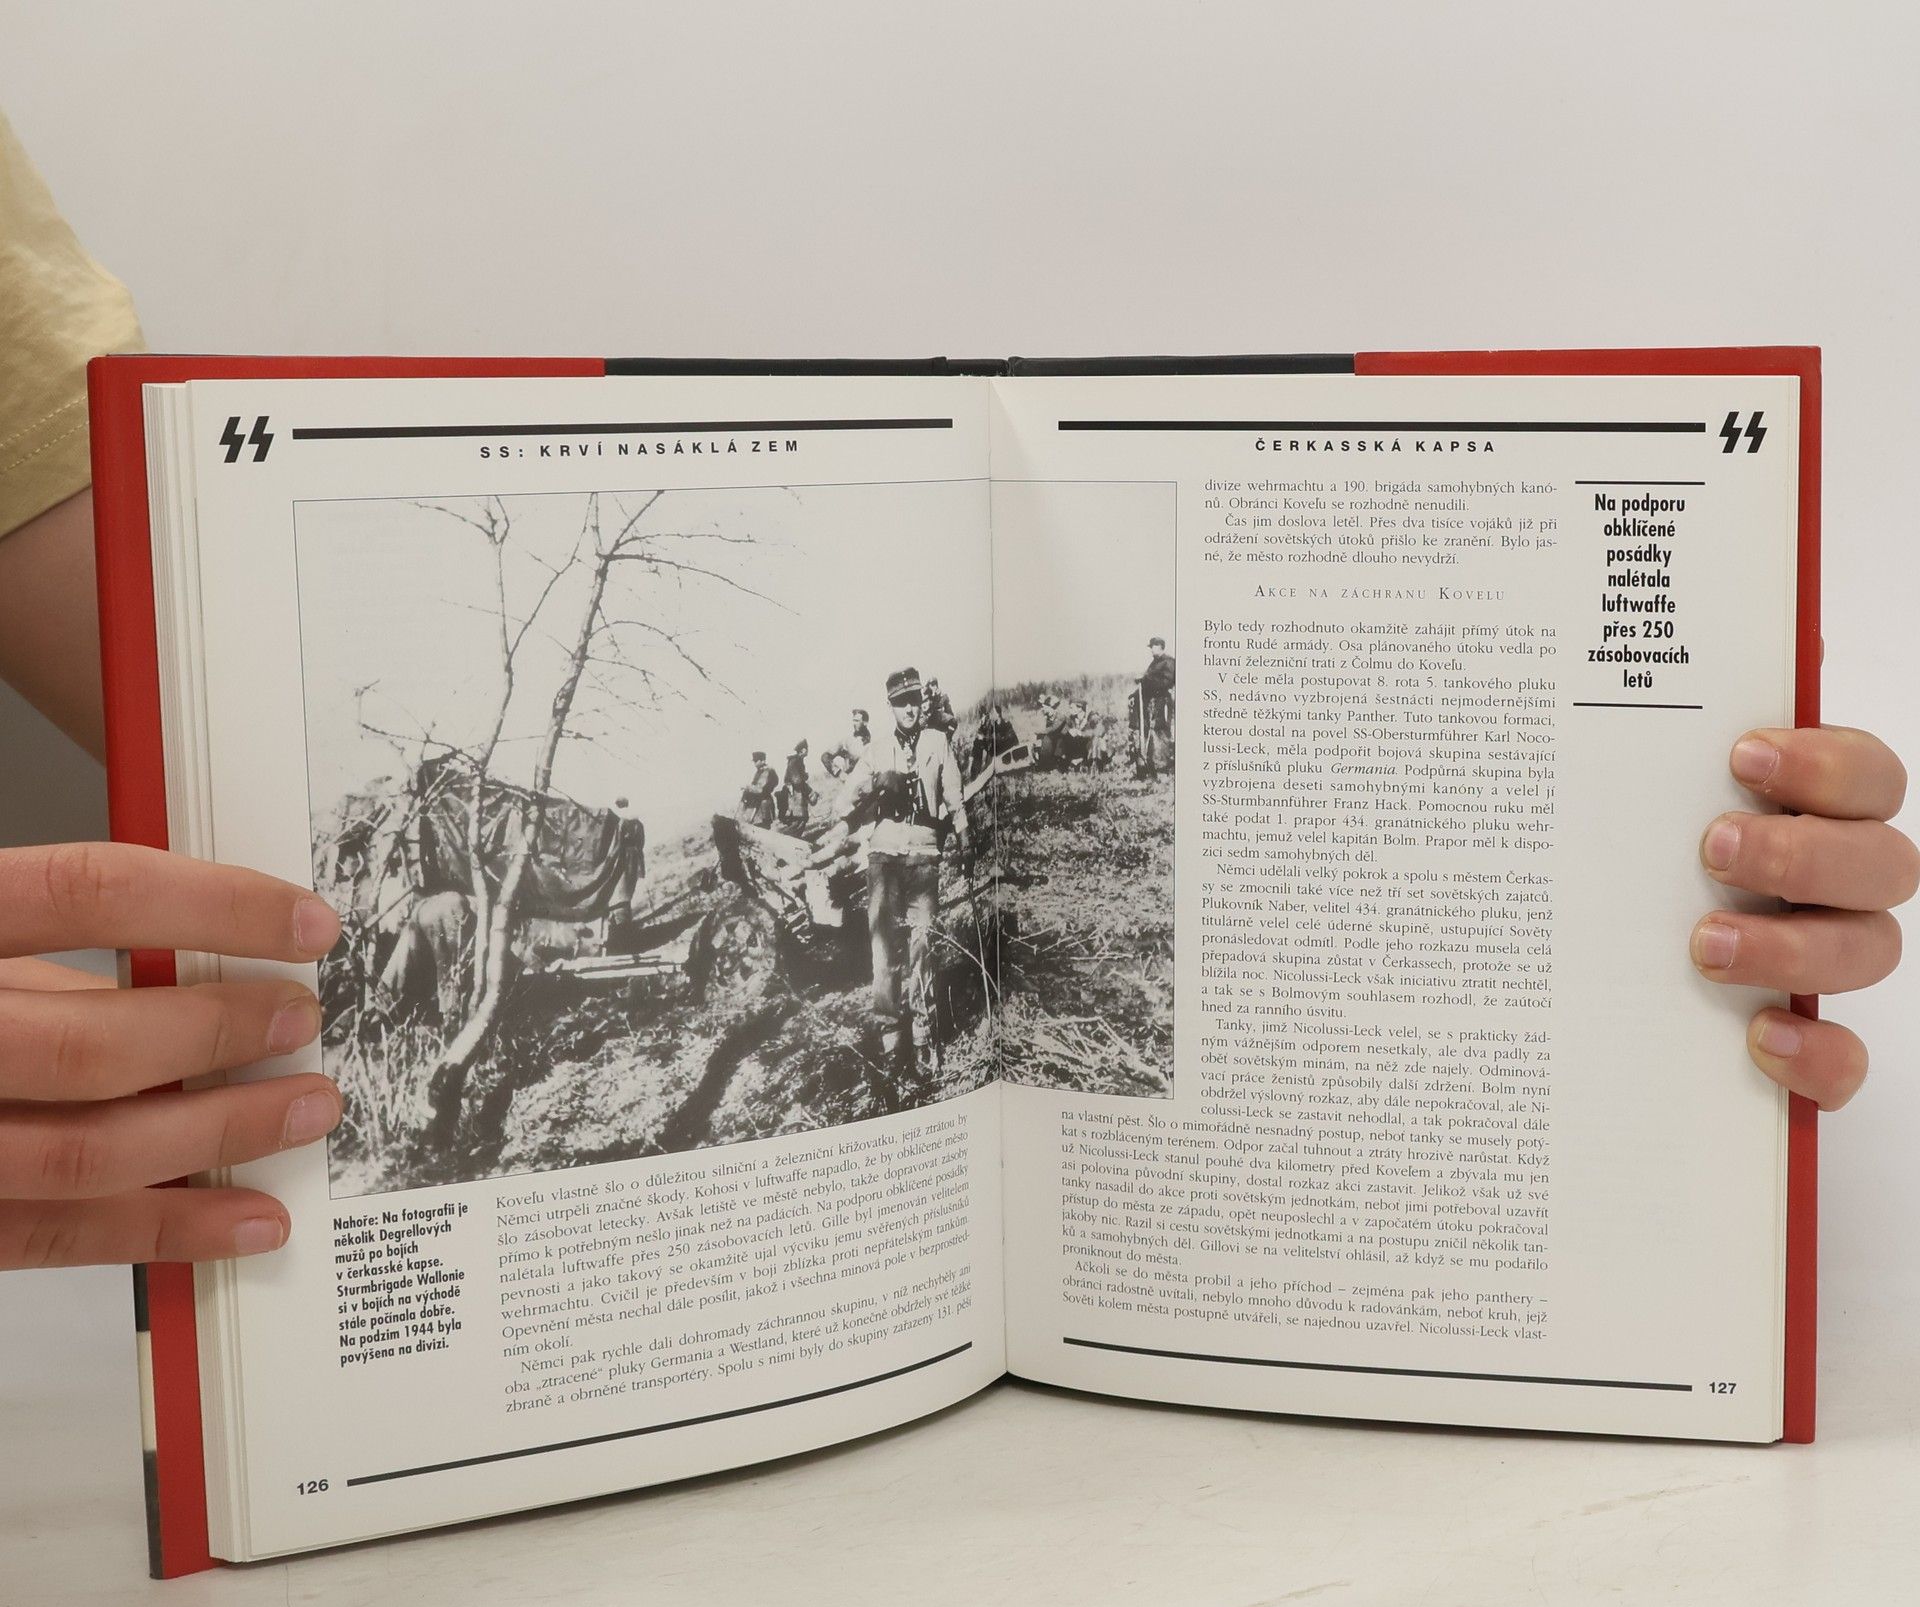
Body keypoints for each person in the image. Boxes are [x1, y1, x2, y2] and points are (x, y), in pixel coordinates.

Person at [0, 114, 1909, 1265]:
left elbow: (173, 674)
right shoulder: (850, 776)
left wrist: (1644, 795)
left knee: (881, 902)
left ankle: (913, 1010)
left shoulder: (918, 757)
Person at [811, 667, 971, 1084]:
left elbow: (954, 794)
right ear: (891, 707)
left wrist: (965, 837)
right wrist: (877, 785)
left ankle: (923, 1038)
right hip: (883, 857)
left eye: (914, 700)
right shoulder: (877, 750)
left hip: (924, 854)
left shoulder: (938, 741)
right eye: (901, 703)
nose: (910, 709)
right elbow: (843, 804)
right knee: (884, 950)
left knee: (923, 945)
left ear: (922, 702)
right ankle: (891, 1044)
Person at [1139, 635, 1175, 778]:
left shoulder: (1168, 662)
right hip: (1152, 702)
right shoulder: (1154, 663)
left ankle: (1165, 766)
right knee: (1152, 731)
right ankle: (1154, 764)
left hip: (1163, 701)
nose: (1151, 650)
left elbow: (1166, 682)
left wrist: (1147, 679)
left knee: (1162, 730)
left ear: (1160, 647)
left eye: (1153, 647)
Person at [779, 739, 817, 833]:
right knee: (798, 821)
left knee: (801, 820)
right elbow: (797, 781)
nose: (807, 751)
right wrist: (808, 788)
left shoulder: (798, 761)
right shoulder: (795, 761)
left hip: (798, 793)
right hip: (796, 794)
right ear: (803, 750)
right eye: (806, 749)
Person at [736, 749, 777, 827]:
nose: (754, 763)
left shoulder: (766, 771)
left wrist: (747, 787)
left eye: (756, 761)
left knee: (761, 828)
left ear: (763, 761)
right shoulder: (760, 771)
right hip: (759, 804)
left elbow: (759, 789)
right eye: (754, 761)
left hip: (762, 806)